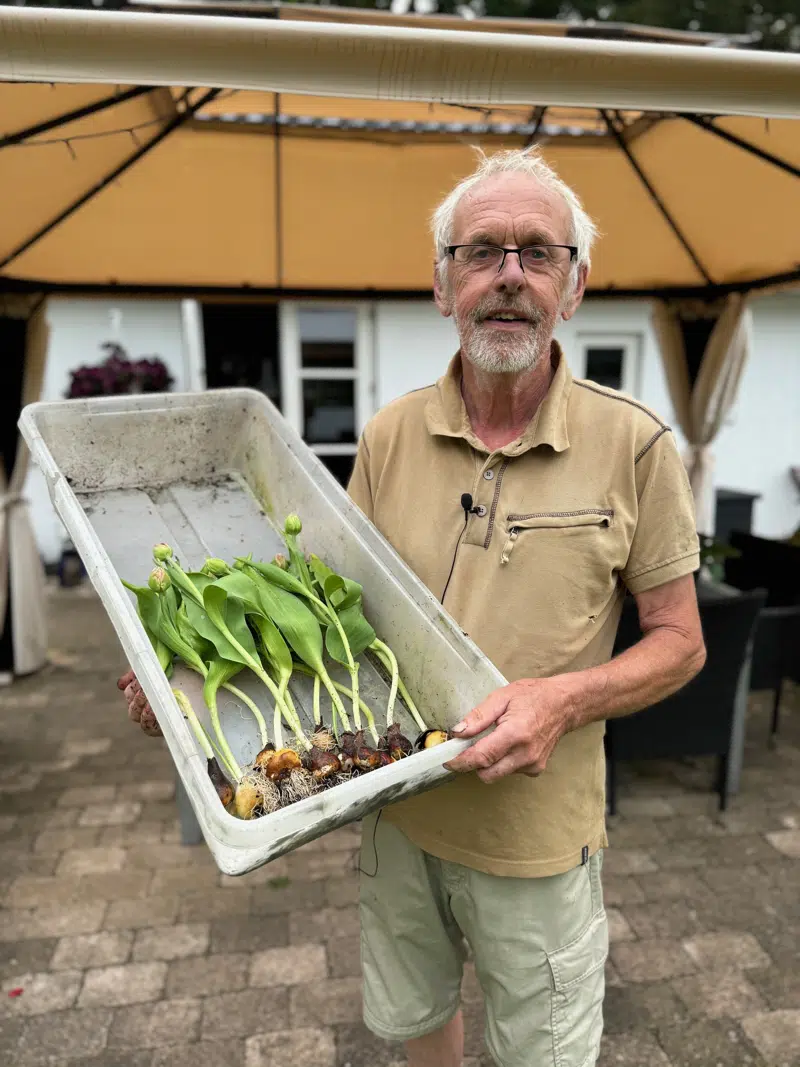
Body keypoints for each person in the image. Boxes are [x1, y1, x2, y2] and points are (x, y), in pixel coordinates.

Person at [120, 147, 706, 1067]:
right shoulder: (389, 433)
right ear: (442, 285)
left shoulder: (635, 445)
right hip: (394, 812)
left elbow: (681, 641)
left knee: (545, 1052)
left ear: (575, 285)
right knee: (417, 1021)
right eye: (480, 251)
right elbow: (330, 615)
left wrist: (564, 699)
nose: (508, 275)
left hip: (534, 836)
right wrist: (188, 683)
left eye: (537, 252)